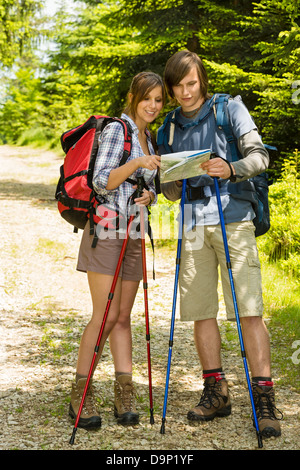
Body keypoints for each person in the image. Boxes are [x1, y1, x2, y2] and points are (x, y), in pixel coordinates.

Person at [157, 50, 282, 439]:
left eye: (191, 83)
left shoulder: (230, 108)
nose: (185, 92)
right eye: (177, 86)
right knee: (200, 312)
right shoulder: (169, 128)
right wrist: (171, 181)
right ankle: (217, 391)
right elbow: (170, 192)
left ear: (202, 80)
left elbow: (260, 157)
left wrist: (230, 168)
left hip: (234, 221)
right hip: (192, 226)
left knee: (248, 310)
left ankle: (264, 398)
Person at [69, 71, 163, 429]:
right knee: (105, 316)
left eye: (158, 100)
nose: (153, 105)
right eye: (147, 98)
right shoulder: (117, 131)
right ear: (133, 97)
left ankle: (124, 392)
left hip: (135, 230)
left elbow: (146, 187)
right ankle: (81, 394)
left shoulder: (149, 138)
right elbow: (101, 180)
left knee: (123, 317)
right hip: (107, 229)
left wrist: (150, 194)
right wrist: (137, 163)